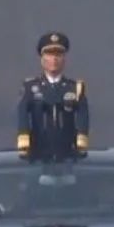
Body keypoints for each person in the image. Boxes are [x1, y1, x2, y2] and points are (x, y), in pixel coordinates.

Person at [16, 32, 89, 160]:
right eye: (49, 54)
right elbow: (22, 112)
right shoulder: (30, 88)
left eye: (58, 55)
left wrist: (81, 138)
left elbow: (83, 114)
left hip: (67, 149)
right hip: (38, 148)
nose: (54, 59)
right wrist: (23, 137)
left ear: (64, 59)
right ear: (42, 59)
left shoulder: (73, 88)